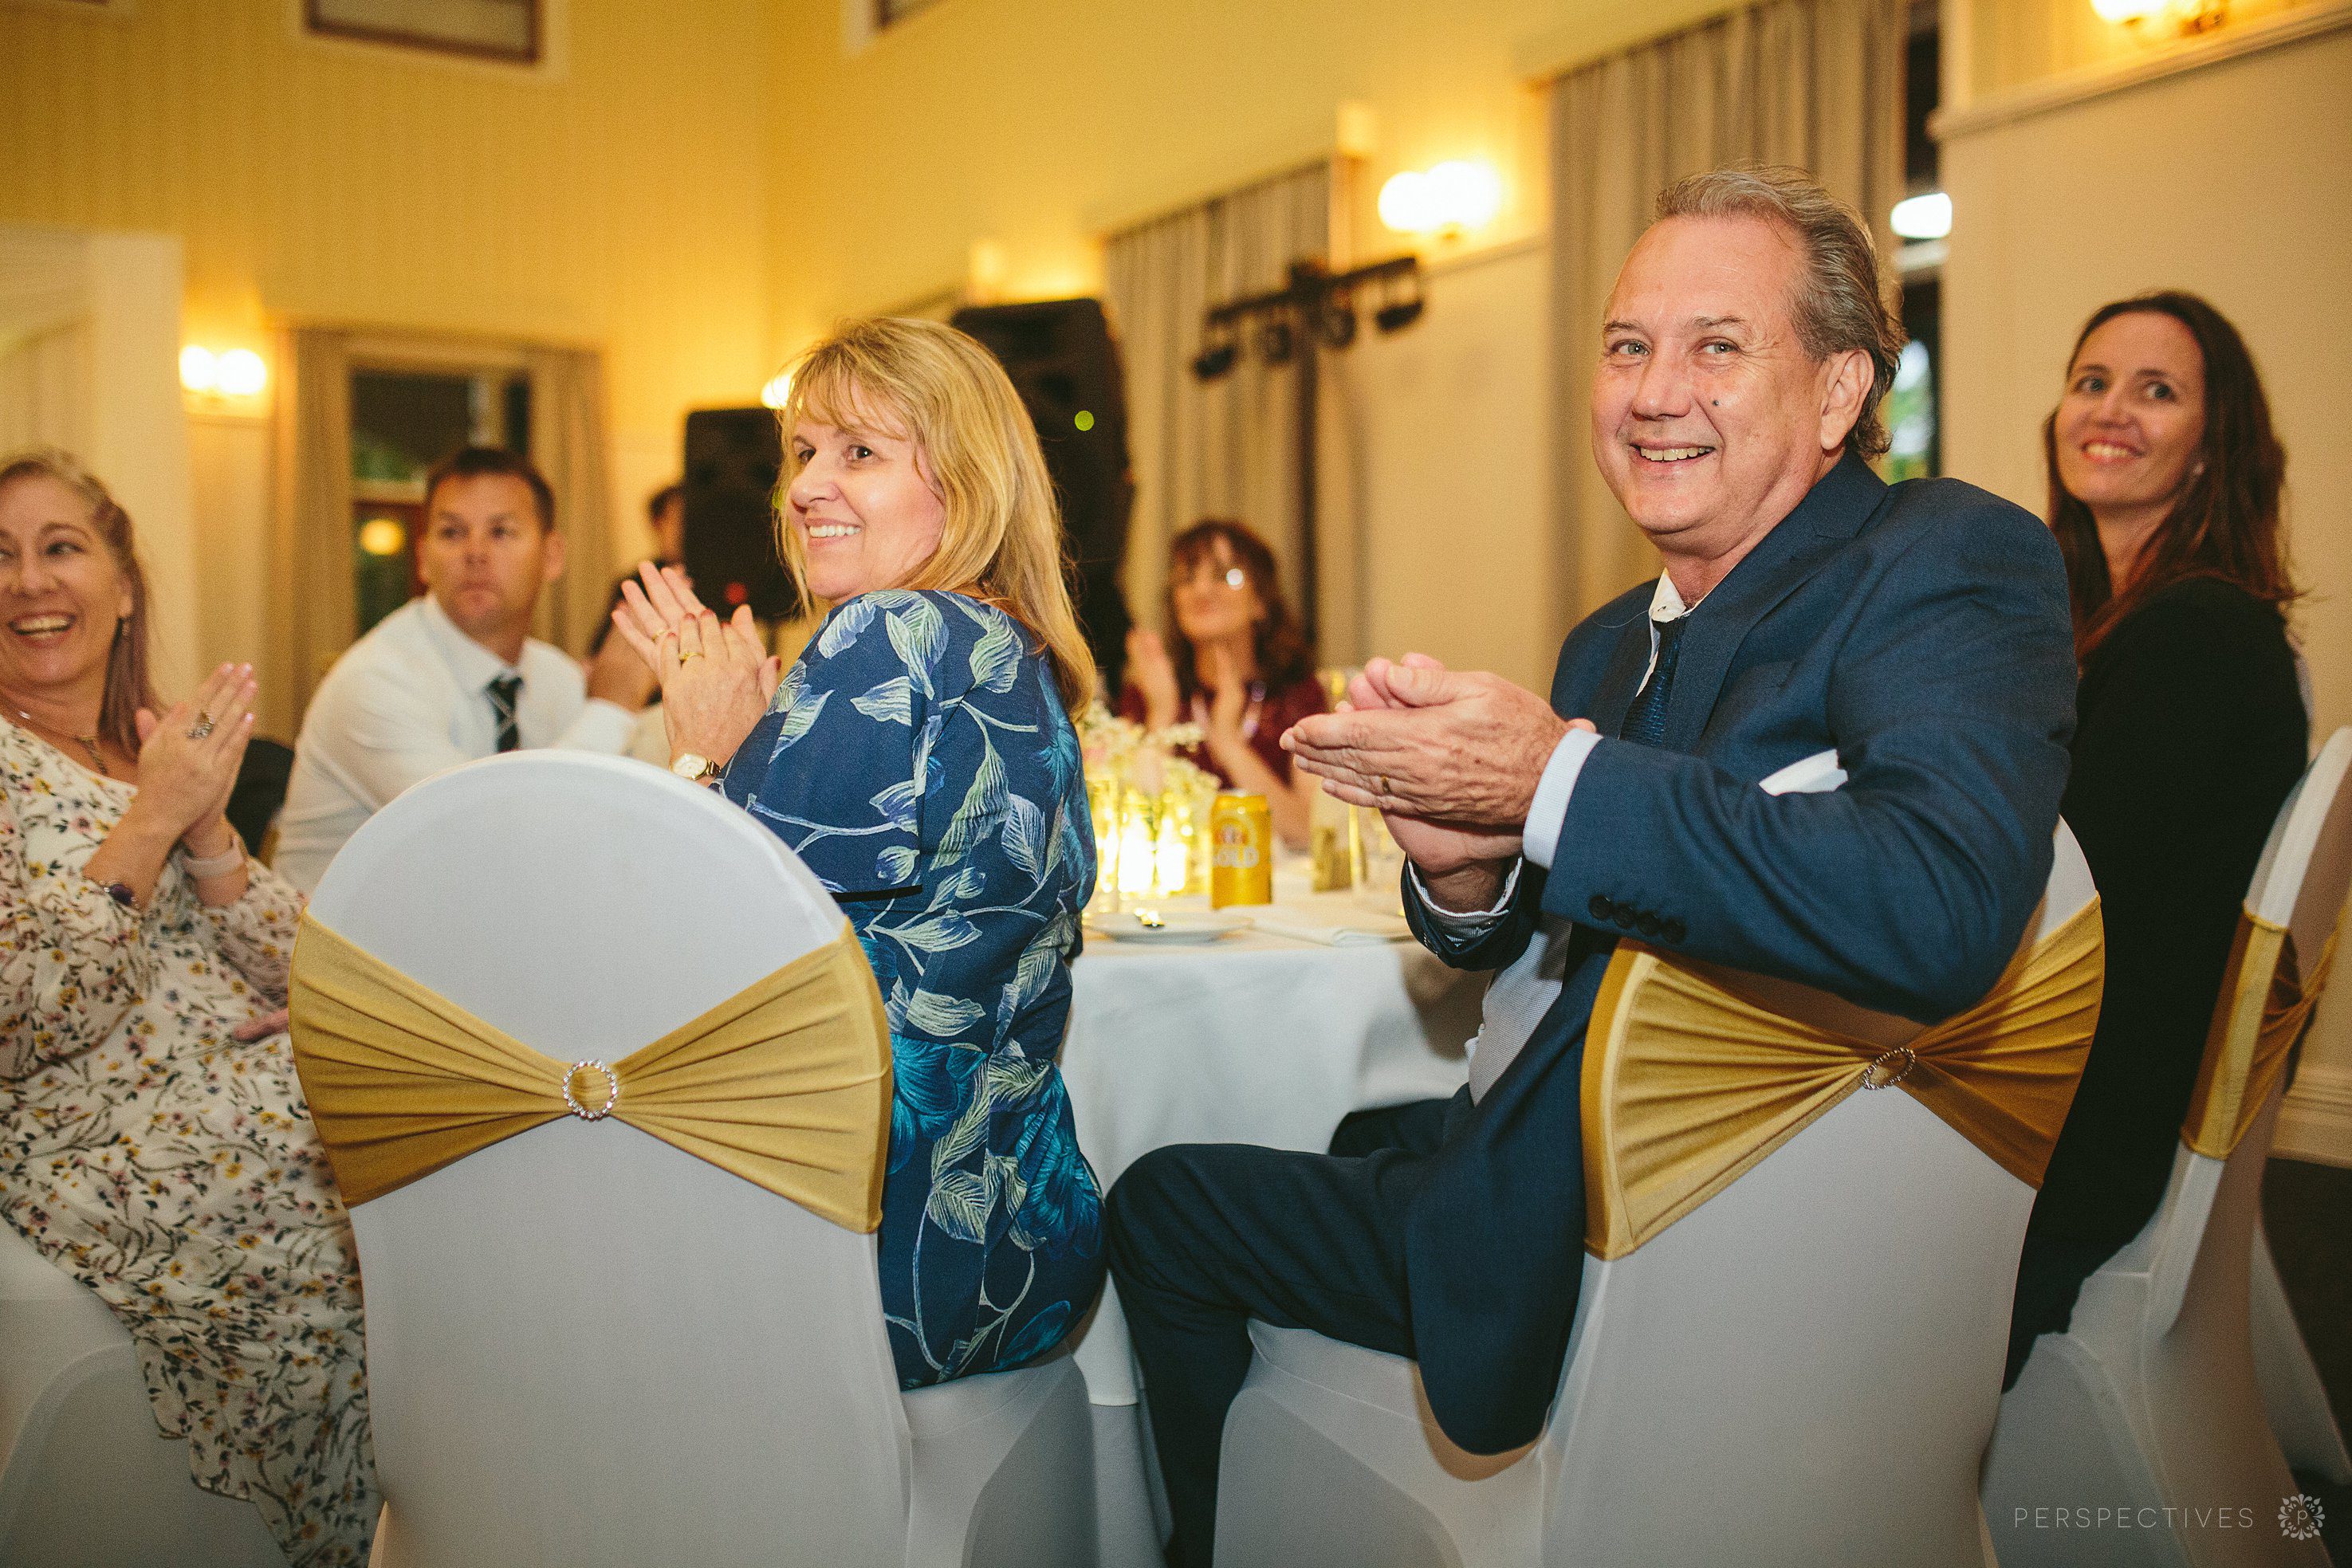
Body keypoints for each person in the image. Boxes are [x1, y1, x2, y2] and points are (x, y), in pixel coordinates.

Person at [1103, 167, 2079, 1564]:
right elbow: (1534, 937)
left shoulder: (1939, 560)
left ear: (1841, 392)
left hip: (1696, 1221)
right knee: (1353, 1126)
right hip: (1569, 1134)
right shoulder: (1608, 636)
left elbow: (1937, 900)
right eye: (1627, 346)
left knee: (1161, 1202)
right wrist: (1461, 868)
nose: (1652, 391)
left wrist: (1549, 779)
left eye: (1717, 346)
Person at [608, 316, 1105, 1388]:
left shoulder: (888, 636)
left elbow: (711, 966)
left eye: (860, 452)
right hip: (1010, 1237)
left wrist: (700, 751)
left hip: (863, 1244)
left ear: (964, 483)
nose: (803, 488)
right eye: (803, 452)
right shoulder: (1013, 650)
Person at [0, 450, 376, 1565]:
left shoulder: (154, 740)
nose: (29, 581)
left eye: (60, 547)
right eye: (1, 558)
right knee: (330, 1171)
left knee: (417, 1106)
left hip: (234, 1073)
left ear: (123, 586)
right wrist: (151, 820)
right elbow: (25, 1017)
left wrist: (209, 832)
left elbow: (307, 965)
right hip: (86, 1130)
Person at [2004, 293, 2306, 1385]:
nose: (2110, 409)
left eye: (2156, 390)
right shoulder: (2117, 623)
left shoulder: (2196, 635)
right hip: (2106, 1082)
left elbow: (2039, 879)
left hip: (2080, 1128)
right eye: (2091, 381)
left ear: (2207, 447)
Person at [273, 445, 656, 892]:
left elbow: (616, 823)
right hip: (345, 955)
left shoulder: (556, 678)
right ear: (422, 557)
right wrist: (611, 707)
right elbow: (485, 847)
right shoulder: (375, 680)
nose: (474, 553)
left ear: (552, 556)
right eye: (452, 533)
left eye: (501, 532)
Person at [1119, 519, 1327, 847]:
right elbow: (1125, 828)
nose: (1201, 591)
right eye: (1187, 579)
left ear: (1261, 601)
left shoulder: (1299, 696)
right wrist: (1162, 713)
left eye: (1224, 576)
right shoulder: (1151, 693)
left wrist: (1229, 742)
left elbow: (1308, 833)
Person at [589, 481, 686, 656]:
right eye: (678, 520)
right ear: (658, 524)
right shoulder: (634, 584)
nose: (685, 530)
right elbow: (601, 652)